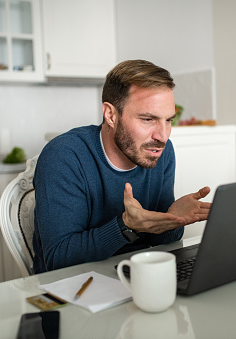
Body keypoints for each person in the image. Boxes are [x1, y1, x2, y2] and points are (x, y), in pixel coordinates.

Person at [32, 59, 211, 273]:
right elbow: (57, 258)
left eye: (168, 120)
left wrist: (173, 220)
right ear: (111, 115)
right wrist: (125, 226)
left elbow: (163, 242)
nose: (162, 136)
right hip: (76, 287)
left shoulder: (162, 151)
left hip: (138, 274)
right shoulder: (64, 156)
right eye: (148, 119)